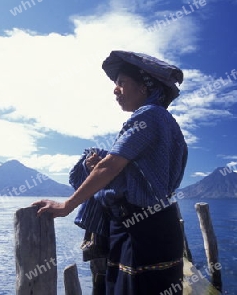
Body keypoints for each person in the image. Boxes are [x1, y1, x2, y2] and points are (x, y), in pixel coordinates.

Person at [32, 50, 188, 294]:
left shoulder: (149, 116)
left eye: (122, 83)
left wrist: (67, 206)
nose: (115, 90)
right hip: (148, 226)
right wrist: (103, 170)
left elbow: (111, 166)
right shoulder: (164, 121)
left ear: (144, 87)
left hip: (143, 231)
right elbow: (138, 175)